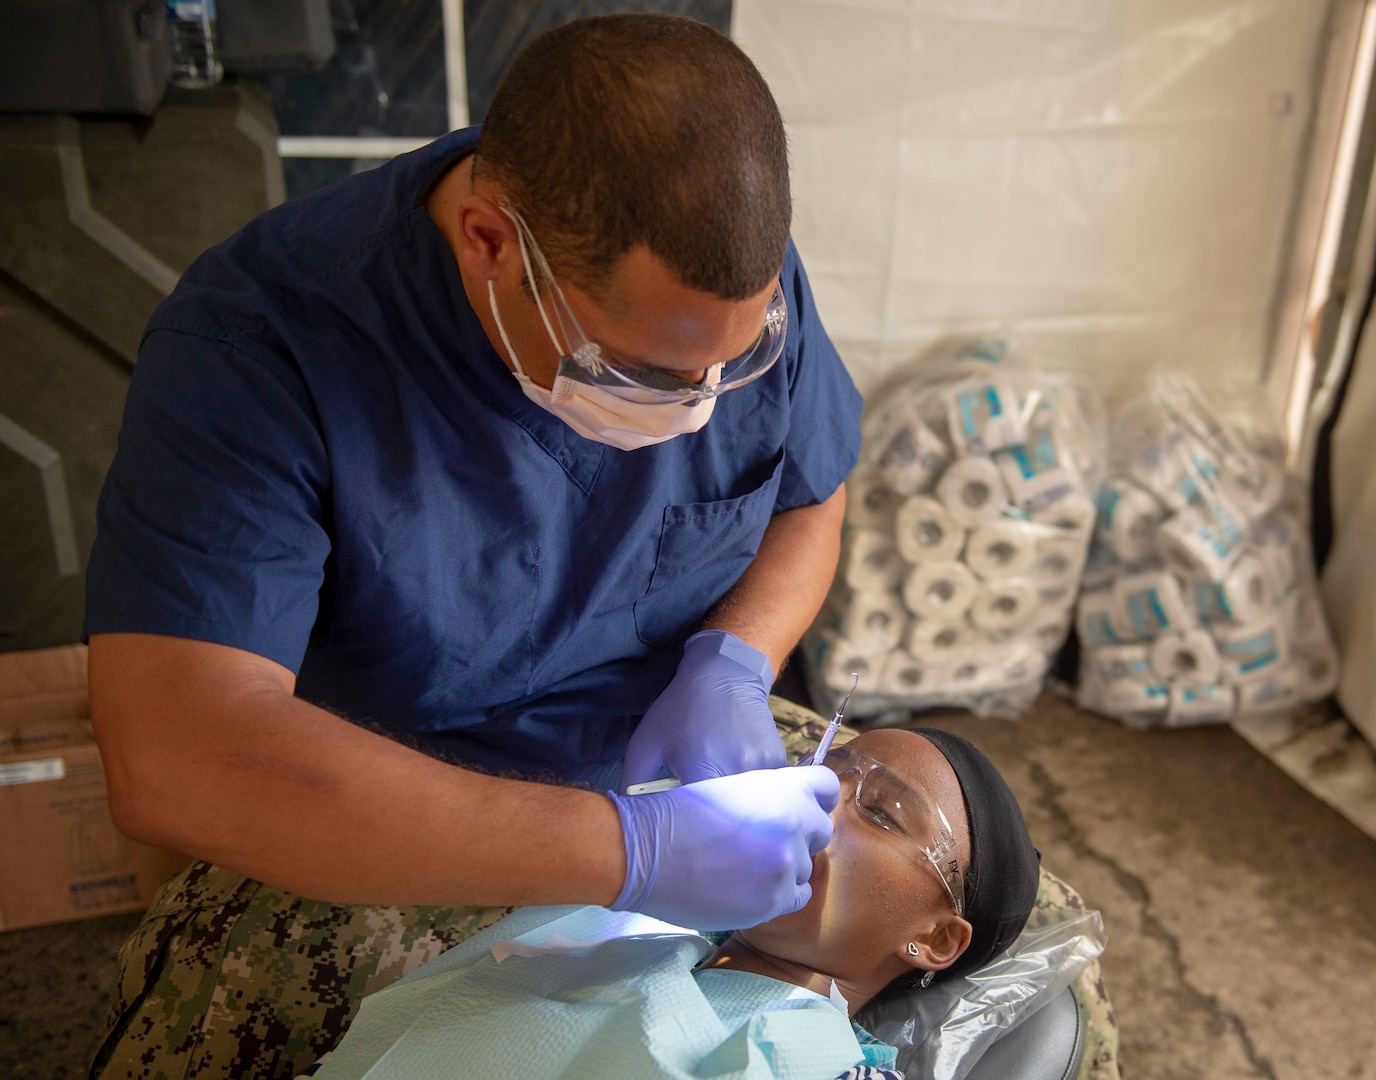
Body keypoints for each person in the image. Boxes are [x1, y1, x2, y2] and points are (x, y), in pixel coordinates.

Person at [83, 14, 862, 1078]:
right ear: (491, 243)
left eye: (738, 364)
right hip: (390, 812)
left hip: (671, 776)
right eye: (641, 372)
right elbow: (177, 755)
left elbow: (812, 500)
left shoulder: (723, 289)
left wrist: (734, 661)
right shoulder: (258, 350)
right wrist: (625, 854)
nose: (699, 405)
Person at [302, 727, 1042, 1080]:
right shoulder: (624, 916)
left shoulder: (832, 1070)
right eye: (827, 768)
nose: (819, 800)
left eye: (880, 812)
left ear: (936, 939)